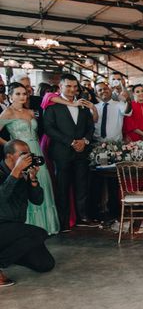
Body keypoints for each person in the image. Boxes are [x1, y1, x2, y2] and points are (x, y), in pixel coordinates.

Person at [0, 83, 59, 235]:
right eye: (18, 94)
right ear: (10, 96)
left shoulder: (30, 112)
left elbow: (37, 134)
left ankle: (47, 226)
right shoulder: (7, 113)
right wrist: (11, 145)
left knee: (41, 183)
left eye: (24, 93)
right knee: (25, 185)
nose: (22, 96)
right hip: (21, 154)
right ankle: (31, 226)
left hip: (36, 150)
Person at [43, 73, 96, 231]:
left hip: (82, 152)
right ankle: (64, 221)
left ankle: (83, 217)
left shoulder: (83, 105)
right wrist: (71, 142)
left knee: (82, 186)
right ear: (60, 87)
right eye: (68, 86)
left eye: (74, 86)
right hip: (62, 152)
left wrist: (84, 141)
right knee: (63, 187)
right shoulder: (52, 106)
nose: (72, 89)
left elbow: (90, 127)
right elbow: (49, 129)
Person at [0, 140, 56, 287]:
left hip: (16, 229)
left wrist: (33, 179)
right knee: (39, 233)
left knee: (45, 264)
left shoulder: (24, 174)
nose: (28, 158)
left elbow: (38, 201)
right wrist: (15, 172)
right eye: (23, 154)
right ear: (10, 156)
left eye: (29, 154)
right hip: (1, 226)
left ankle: (8, 256)